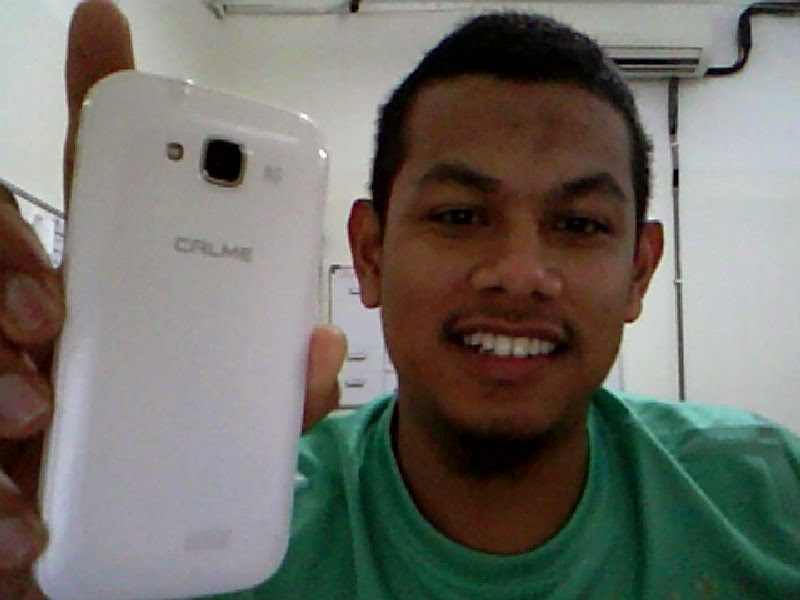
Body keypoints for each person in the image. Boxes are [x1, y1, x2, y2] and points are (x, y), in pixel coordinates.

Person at [1, 1, 798, 598]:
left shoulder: (767, 497)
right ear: (370, 253)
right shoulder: (205, 545)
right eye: (459, 216)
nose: (520, 272)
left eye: (580, 224)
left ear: (640, 271)